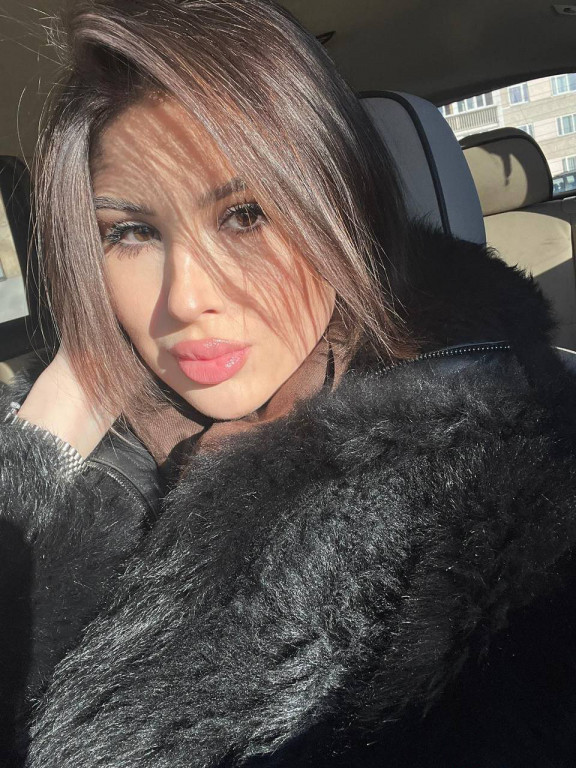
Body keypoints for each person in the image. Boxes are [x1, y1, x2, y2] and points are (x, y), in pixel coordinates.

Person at [1, 0, 576, 766]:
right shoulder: (79, 445)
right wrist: (58, 413)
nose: (185, 299)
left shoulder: (512, 492)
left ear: (344, 211)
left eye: (245, 215)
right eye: (130, 233)